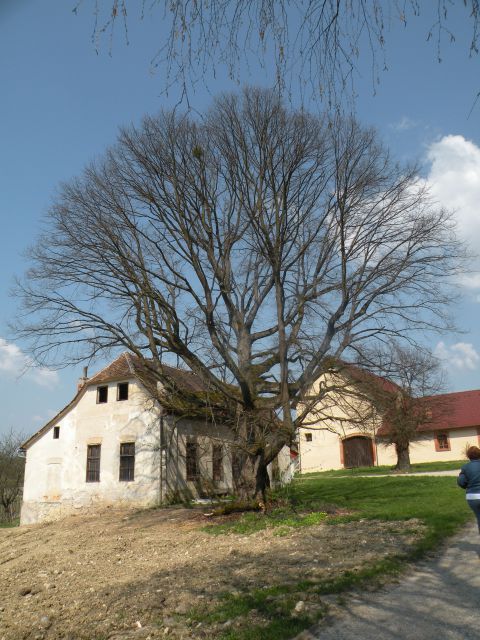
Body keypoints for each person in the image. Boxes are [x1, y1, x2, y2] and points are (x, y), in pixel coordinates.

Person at [457, 445, 480, 534]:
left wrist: (466, 486)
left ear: (468, 456)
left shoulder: (465, 467)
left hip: (472, 497)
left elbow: (461, 482)